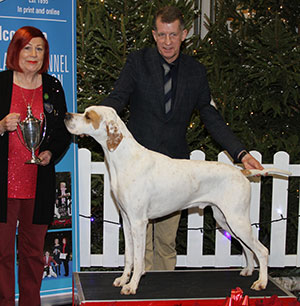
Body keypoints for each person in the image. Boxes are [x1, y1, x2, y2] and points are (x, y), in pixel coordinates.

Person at [100, 6, 263, 271]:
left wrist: (240, 153)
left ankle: (163, 295)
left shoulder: (196, 71)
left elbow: (211, 116)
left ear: (184, 34)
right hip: (136, 169)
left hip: (173, 172)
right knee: (140, 239)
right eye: (162, 35)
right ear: (154, 34)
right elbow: (118, 98)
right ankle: (142, 293)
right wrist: (95, 115)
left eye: (173, 35)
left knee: (165, 244)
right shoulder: (137, 62)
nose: (167, 42)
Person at [0, 26, 71, 305]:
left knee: (32, 255)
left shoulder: (52, 87)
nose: (33, 54)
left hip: (37, 184)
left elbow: (63, 132)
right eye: (28, 47)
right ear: (16, 50)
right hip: (4, 186)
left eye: (39, 49)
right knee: (2, 254)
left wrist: (50, 153)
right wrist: (1, 126)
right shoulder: (1, 84)